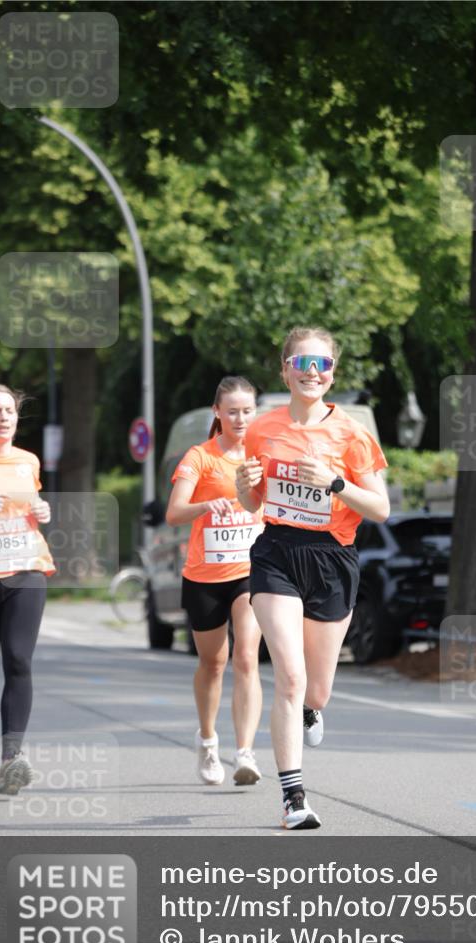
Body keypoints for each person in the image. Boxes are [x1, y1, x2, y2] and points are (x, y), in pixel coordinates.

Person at [236, 327, 390, 829]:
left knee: (315, 691)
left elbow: (381, 508)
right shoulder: (262, 428)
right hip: (276, 553)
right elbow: (254, 503)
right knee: (290, 675)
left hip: (333, 559)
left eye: (321, 364)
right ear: (284, 369)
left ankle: (311, 711)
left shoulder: (353, 433)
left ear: (332, 373)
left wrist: (335, 483)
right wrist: (244, 487)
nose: (311, 373)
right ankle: (293, 798)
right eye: (301, 364)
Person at [166, 376, 264, 786]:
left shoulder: (263, 455)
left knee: (246, 658)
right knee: (214, 663)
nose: (240, 419)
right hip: (205, 576)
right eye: (233, 411)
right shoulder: (200, 457)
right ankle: (207, 742)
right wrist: (208, 504)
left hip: (249, 571)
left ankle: (245, 753)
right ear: (218, 413)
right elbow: (174, 513)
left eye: (247, 411)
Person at [0, 384, 55, 795]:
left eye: (9, 411)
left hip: (27, 569)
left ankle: (12, 759)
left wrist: (42, 508)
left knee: (19, 659)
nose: (3, 417)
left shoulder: (28, 461)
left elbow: (32, 506)